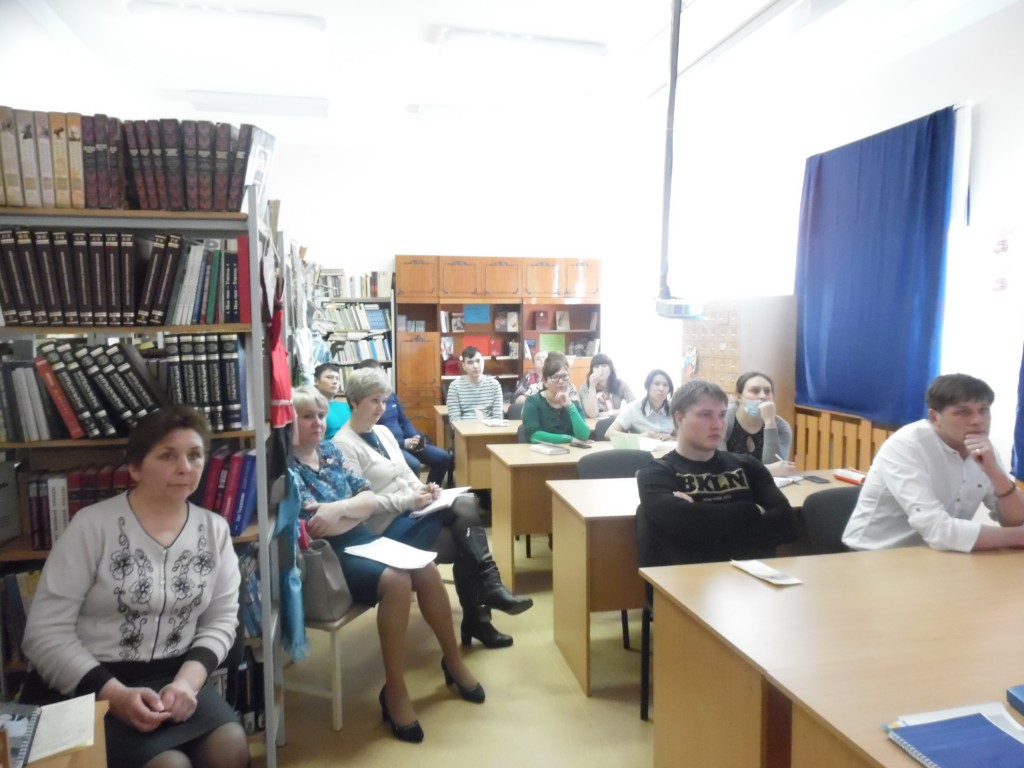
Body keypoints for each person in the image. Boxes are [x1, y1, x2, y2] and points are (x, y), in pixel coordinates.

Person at [21, 406, 249, 768]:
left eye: (194, 455)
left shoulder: (215, 529)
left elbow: (221, 620)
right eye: (168, 456)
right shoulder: (91, 527)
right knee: (169, 765)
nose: (185, 468)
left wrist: (187, 684)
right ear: (135, 467)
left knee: (231, 746)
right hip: (90, 683)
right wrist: (113, 694)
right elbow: (44, 633)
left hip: (175, 679)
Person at [289, 386, 482, 743]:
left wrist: (340, 509)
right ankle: (394, 690)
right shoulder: (287, 468)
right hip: (328, 555)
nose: (317, 423)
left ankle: (453, 661)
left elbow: (366, 500)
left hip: (362, 537)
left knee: (426, 568)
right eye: (306, 417)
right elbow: (314, 526)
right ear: (289, 421)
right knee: (396, 581)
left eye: (320, 415)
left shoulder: (329, 452)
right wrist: (351, 509)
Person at [335, 368, 532, 648]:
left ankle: (485, 601)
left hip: (411, 513)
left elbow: (404, 472)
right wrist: (409, 500)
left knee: (464, 513)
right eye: (374, 401)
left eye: (384, 400)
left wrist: (423, 489)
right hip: (384, 530)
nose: (381, 408)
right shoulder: (343, 445)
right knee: (464, 535)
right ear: (354, 401)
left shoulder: (382, 432)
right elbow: (363, 504)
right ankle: (483, 606)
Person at [842, 373, 1024, 552]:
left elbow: (1016, 520)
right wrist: (1017, 537)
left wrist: (994, 471)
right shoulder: (906, 446)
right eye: (963, 412)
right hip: (875, 554)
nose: (978, 421)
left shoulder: (985, 450)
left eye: (983, 410)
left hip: (940, 554)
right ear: (935, 418)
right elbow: (937, 529)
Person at [636, 381, 798, 567]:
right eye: (705, 415)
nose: (717, 425)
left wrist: (699, 514)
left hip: (753, 577)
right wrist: (753, 510)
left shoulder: (748, 466)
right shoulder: (656, 473)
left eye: (722, 415)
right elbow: (682, 524)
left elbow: (787, 525)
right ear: (679, 418)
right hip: (691, 579)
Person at [353, 359, 451, 486]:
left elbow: (404, 420)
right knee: (414, 465)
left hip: (407, 441)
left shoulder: (391, 395)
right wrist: (404, 443)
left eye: (381, 373)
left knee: (442, 457)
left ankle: (430, 491)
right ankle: (413, 495)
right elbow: (373, 435)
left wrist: (414, 437)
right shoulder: (365, 404)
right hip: (389, 446)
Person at [720, 371, 795, 476]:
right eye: (755, 391)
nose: (763, 396)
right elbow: (721, 467)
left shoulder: (782, 428)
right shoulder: (723, 420)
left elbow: (777, 470)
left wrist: (769, 423)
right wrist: (767, 470)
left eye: (767, 391)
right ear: (739, 397)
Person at [521, 355, 592, 444]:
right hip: (543, 452)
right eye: (555, 377)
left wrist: (570, 406)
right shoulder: (533, 402)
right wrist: (569, 439)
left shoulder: (573, 404)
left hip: (572, 451)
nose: (561, 381)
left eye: (564, 376)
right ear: (545, 382)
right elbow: (534, 435)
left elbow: (584, 436)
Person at [606, 369, 675, 441]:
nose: (661, 388)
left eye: (665, 385)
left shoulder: (674, 409)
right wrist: (639, 436)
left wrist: (670, 436)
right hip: (641, 448)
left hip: (666, 447)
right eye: (657, 384)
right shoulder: (633, 408)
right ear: (647, 387)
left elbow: (680, 435)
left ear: (669, 390)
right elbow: (609, 433)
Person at [446, 346, 503, 423]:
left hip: (489, 429)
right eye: (470, 362)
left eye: (478, 361)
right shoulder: (455, 387)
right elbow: (455, 421)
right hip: (464, 429)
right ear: (464, 366)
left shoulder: (495, 385)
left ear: (483, 362)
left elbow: (498, 418)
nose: (475, 366)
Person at [578, 353, 635, 419]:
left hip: (614, 422)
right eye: (596, 366)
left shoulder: (621, 384)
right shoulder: (585, 387)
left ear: (610, 369)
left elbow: (635, 407)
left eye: (604, 366)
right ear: (592, 370)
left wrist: (610, 413)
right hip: (593, 423)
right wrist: (592, 387)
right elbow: (592, 415)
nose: (600, 370)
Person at [313, 362, 351, 439]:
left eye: (337, 379)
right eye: (329, 377)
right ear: (316, 381)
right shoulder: (310, 408)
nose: (335, 382)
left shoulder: (347, 407)